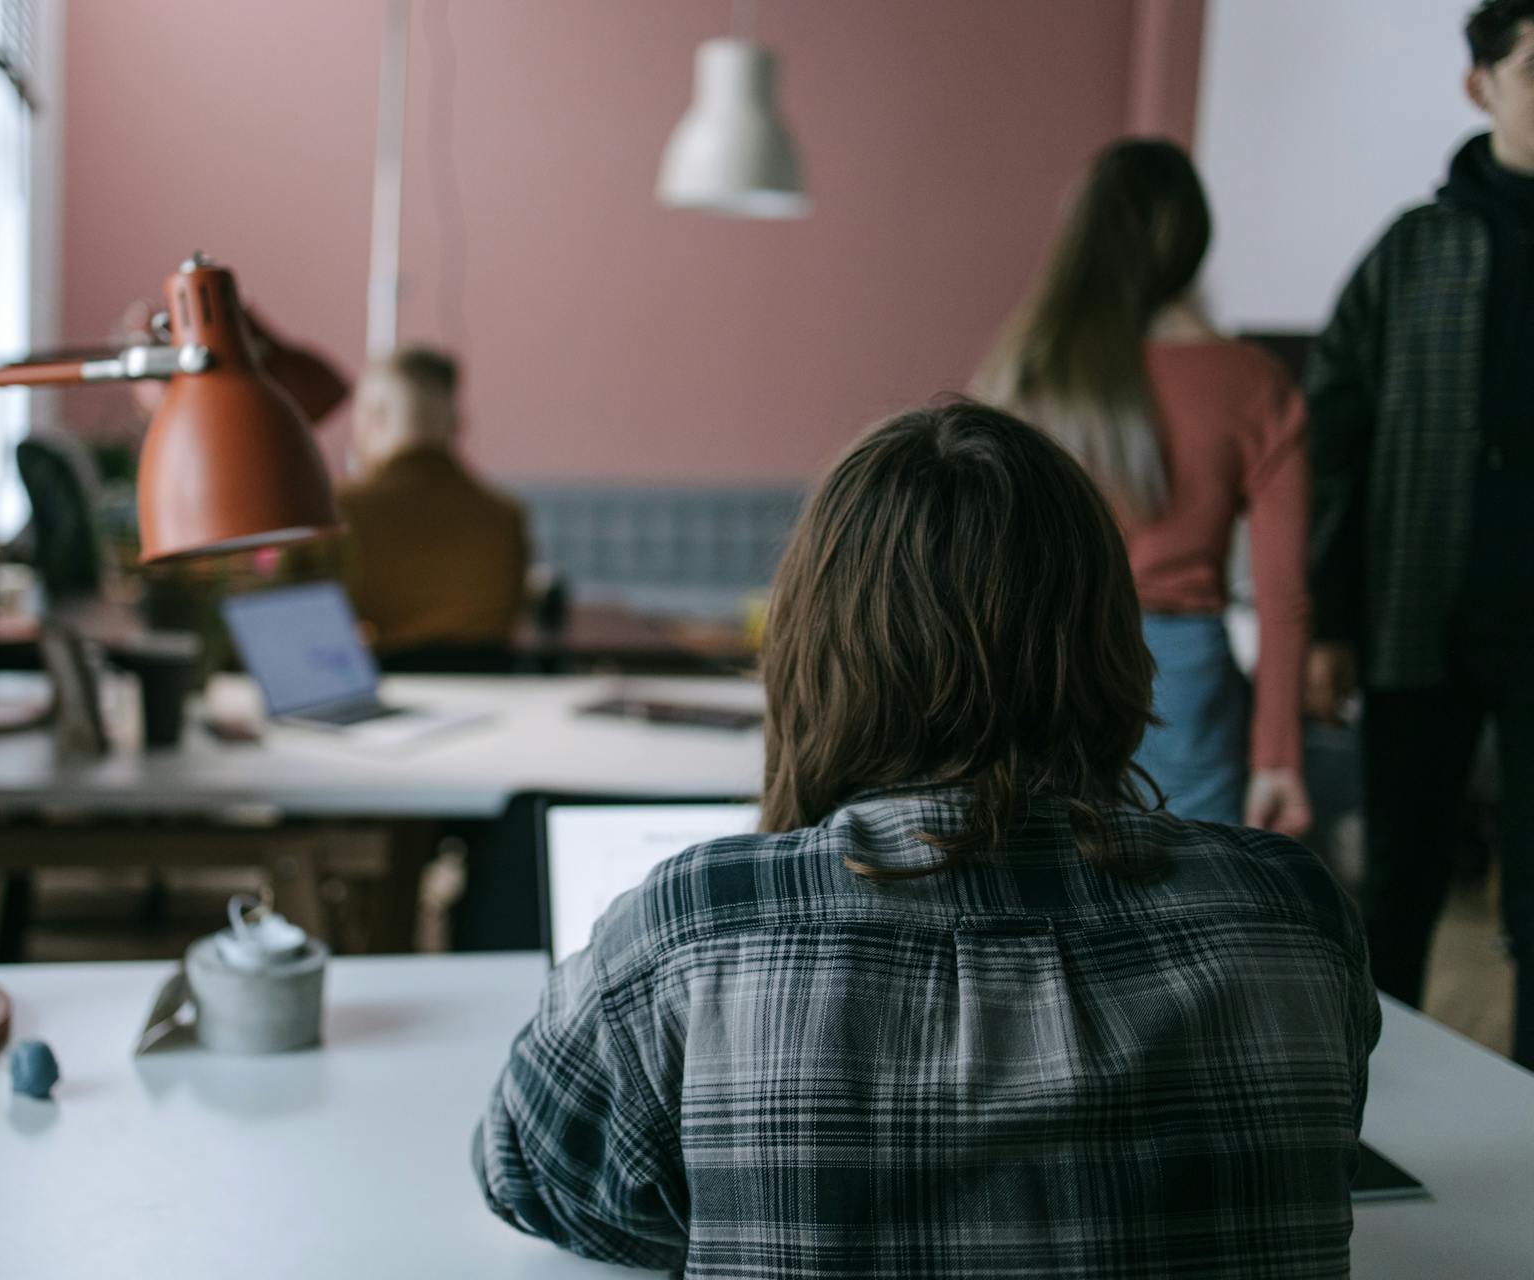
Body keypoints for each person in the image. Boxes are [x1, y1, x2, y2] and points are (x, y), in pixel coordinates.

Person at [474, 403, 1379, 1277]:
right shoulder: (1293, 918)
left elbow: (524, 1172)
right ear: (1111, 639)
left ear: (812, 653)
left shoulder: (696, 933)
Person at [1304, 0, 1534, 1068]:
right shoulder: (1413, 248)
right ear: (1480, 85)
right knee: (1397, 887)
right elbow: (1333, 445)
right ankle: (1378, 1104)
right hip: (1414, 620)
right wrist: (1330, 620)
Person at [977, 138, 1311, 835]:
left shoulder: (1027, 374)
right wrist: (1277, 759)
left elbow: (978, 561)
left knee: (1050, 887)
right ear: (1195, 237)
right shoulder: (1253, 382)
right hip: (1184, 679)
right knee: (1188, 909)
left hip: (1046, 661)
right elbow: (1284, 596)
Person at [335, 346, 529, 655]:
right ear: (457, 423)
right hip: (491, 693)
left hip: (382, 687)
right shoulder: (507, 518)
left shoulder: (340, 512)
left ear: (372, 418)